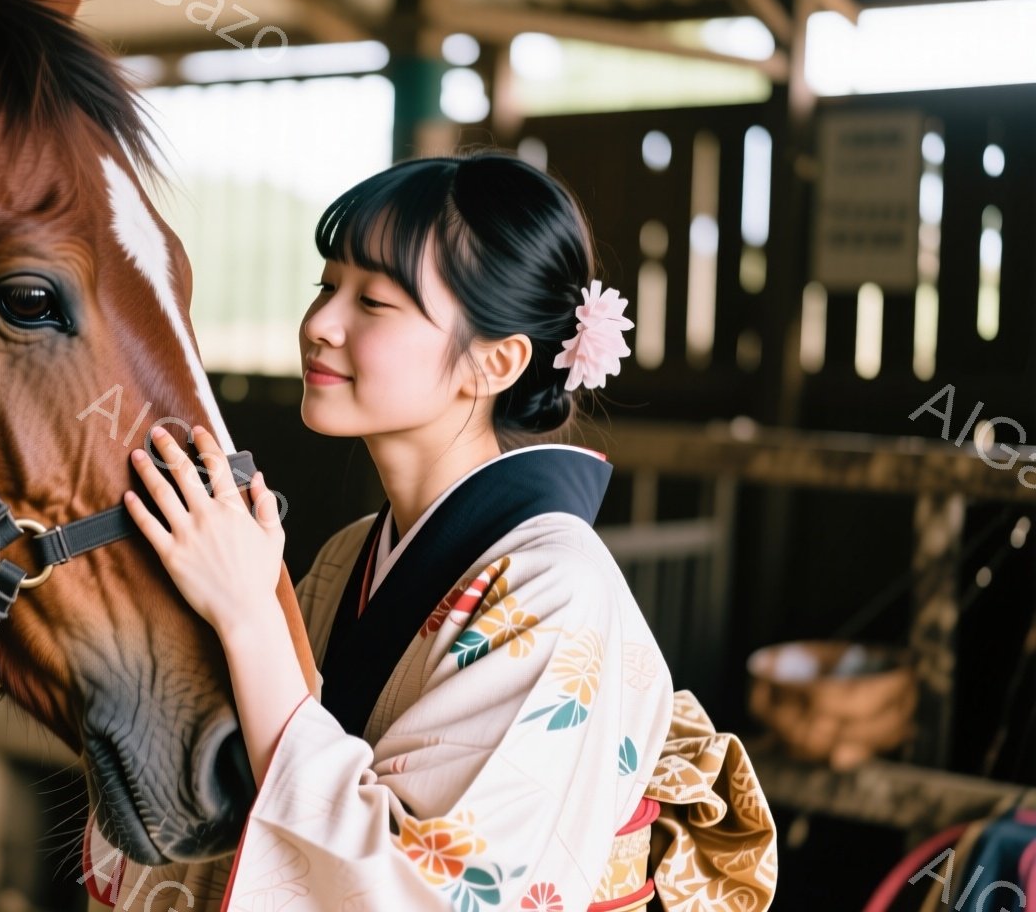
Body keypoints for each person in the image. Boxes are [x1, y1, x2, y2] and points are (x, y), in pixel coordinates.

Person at [87, 150, 779, 911]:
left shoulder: (560, 590)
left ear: (496, 362)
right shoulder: (353, 552)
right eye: (325, 287)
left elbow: (432, 890)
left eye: (373, 303)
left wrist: (251, 616)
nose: (320, 324)